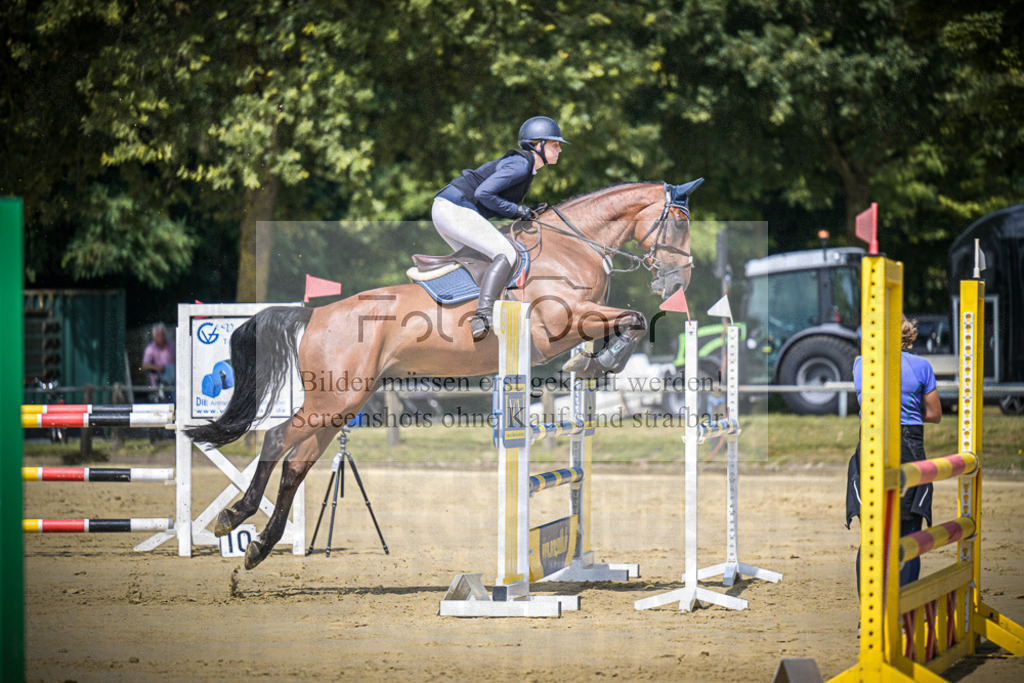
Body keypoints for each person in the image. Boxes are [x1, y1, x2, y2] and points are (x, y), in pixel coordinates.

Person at [432, 116, 567, 340]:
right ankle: (482, 316)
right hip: (454, 209)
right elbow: (483, 193)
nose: (560, 149)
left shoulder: (524, 166)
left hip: (448, 209)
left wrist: (522, 211)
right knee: (507, 253)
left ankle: (464, 315)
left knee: (483, 262)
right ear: (538, 145)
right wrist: (517, 210)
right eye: (555, 144)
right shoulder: (521, 164)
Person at [847, 315, 942, 590]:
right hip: (907, 444)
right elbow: (934, 414)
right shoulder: (921, 366)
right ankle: (903, 604)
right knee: (908, 532)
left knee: (871, 535)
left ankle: (868, 608)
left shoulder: (860, 364)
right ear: (905, 332)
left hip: (870, 443)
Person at [141, 322, 175, 390]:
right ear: (154, 336)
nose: (161, 337)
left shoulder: (173, 345)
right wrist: (158, 367)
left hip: (175, 383)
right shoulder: (150, 349)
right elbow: (144, 366)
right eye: (158, 335)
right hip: (159, 385)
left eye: (162, 334)